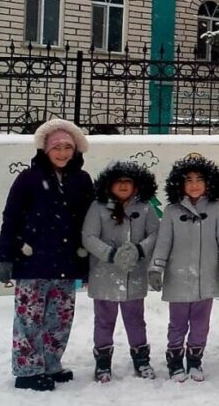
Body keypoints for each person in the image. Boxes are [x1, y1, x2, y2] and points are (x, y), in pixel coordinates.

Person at [0, 119, 94, 392]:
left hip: (66, 261)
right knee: (29, 318)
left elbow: (88, 221)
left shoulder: (82, 180)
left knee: (60, 317)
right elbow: (10, 218)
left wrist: (87, 263)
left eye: (67, 147)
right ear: (45, 149)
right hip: (32, 261)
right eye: (57, 147)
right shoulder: (29, 178)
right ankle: (27, 370)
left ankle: (50, 363)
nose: (62, 153)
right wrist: (4, 260)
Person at [150, 156, 219, 382]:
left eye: (200, 179)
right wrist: (156, 268)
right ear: (179, 184)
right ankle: (175, 360)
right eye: (189, 180)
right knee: (177, 322)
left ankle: (195, 360)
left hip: (205, 277)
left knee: (200, 323)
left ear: (209, 182)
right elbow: (163, 243)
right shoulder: (171, 211)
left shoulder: (216, 208)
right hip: (178, 277)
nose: (195, 184)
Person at [82, 161, 160, 383]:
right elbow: (88, 237)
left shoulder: (145, 207)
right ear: (109, 184)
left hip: (134, 276)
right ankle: (103, 362)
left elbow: (155, 233)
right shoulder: (98, 207)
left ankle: (141, 359)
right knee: (104, 320)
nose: (124, 186)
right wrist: (110, 254)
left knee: (136, 319)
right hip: (104, 275)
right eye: (119, 181)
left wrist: (139, 249)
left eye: (128, 181)